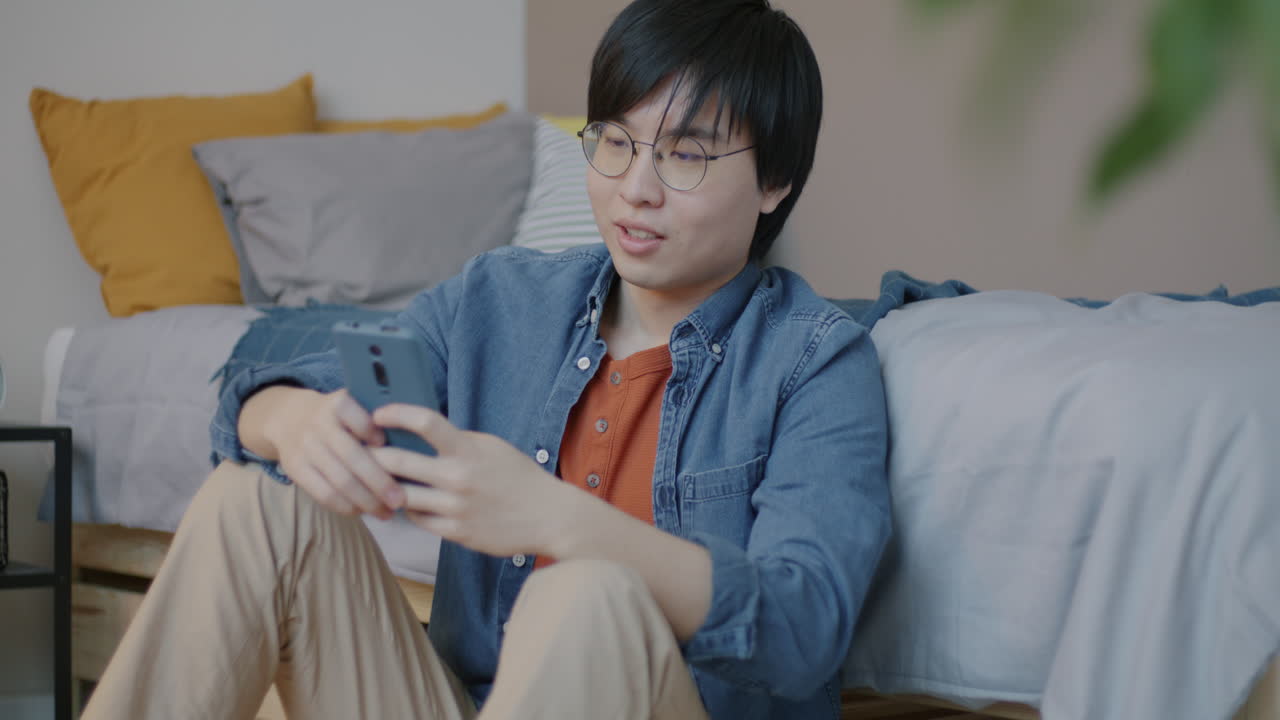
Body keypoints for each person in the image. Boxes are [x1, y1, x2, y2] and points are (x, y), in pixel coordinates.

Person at [82, 0, 891, 718]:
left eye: (685, 156)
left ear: (775, 180)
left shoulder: (815, 361)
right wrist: (293, 421)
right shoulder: (500, 298)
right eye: (615, 142)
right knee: (254, 500)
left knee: (586, 593)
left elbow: (803, 625)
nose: (634, 188)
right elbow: (259, 407)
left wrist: (553, 519)